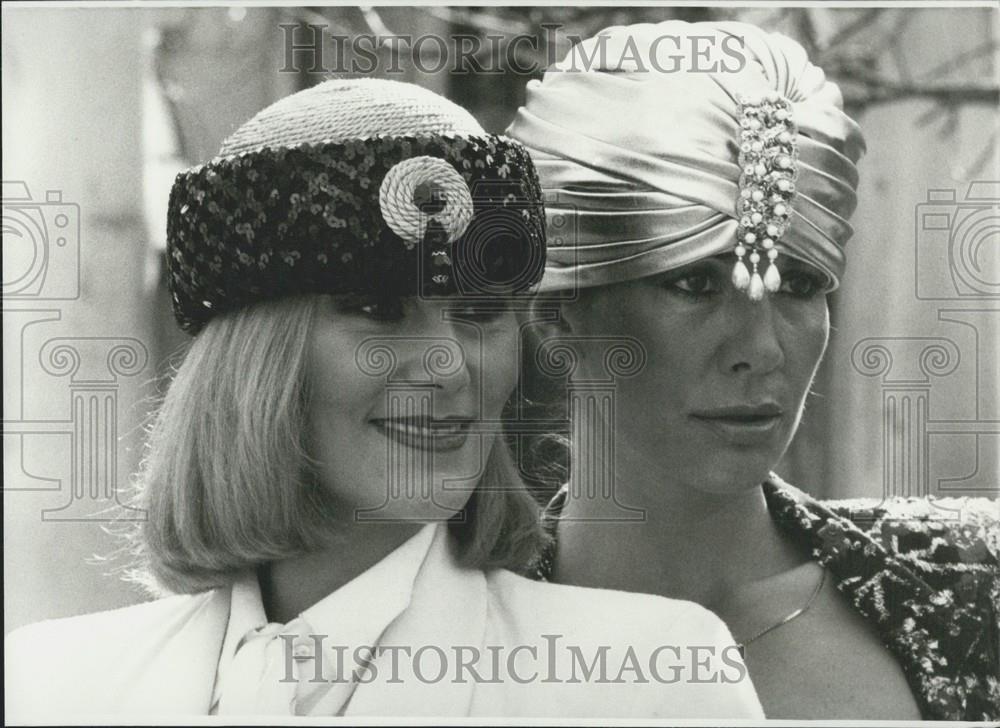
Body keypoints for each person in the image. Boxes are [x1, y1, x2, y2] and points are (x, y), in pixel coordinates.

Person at [5, 78, 765, 721]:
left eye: (478, 314)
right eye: (376, 309)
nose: (446, 367)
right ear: (254, 364)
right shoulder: (53, 684)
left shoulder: (653, 680)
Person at [507, 20, 999, 721]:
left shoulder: (972, 586)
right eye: (695, 285)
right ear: (559, 312)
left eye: (799, 286)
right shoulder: (455, 652)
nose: (760, 349)